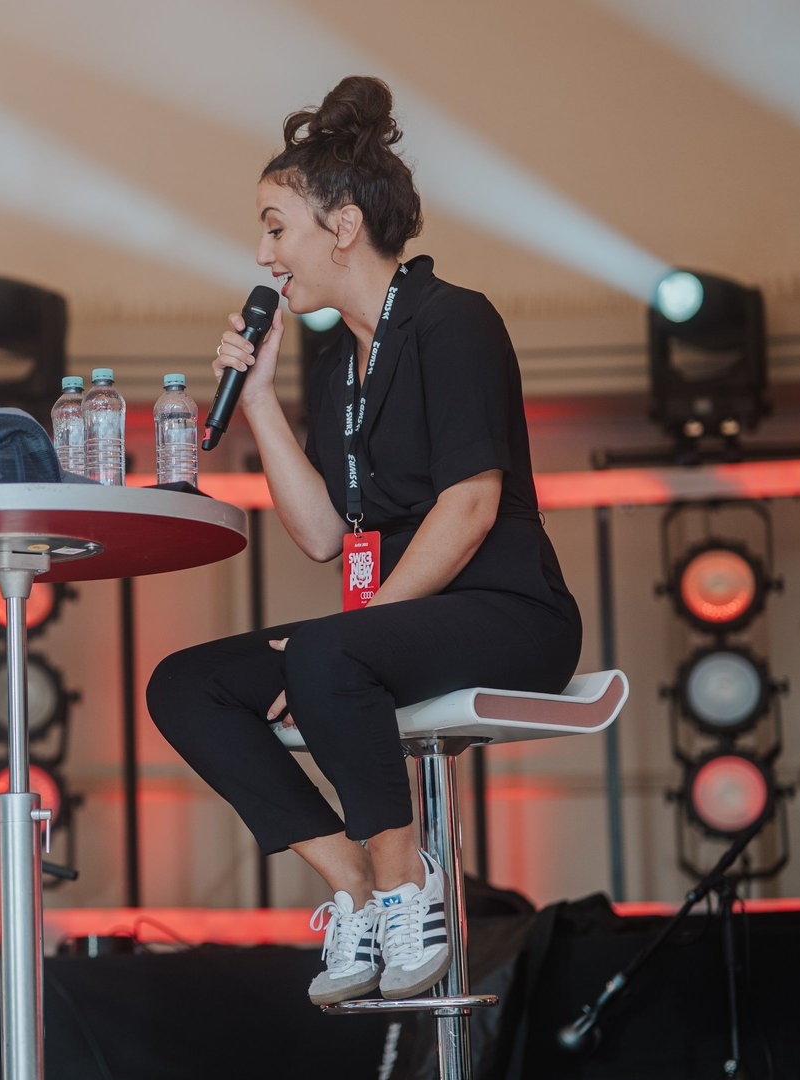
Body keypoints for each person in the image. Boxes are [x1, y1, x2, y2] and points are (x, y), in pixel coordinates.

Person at [145, 76, 582, 1006]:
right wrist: (258, 399)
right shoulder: (339, 357)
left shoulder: (451, 319)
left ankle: (408, 884)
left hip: (509, 614)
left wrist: (351, 635)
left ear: (342, 227)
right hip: (393, 627)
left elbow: (468, 506)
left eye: (275, 226)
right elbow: (318, 537)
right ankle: (352, 884)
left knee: (330, 649)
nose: (263, 254)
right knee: (186, 683)